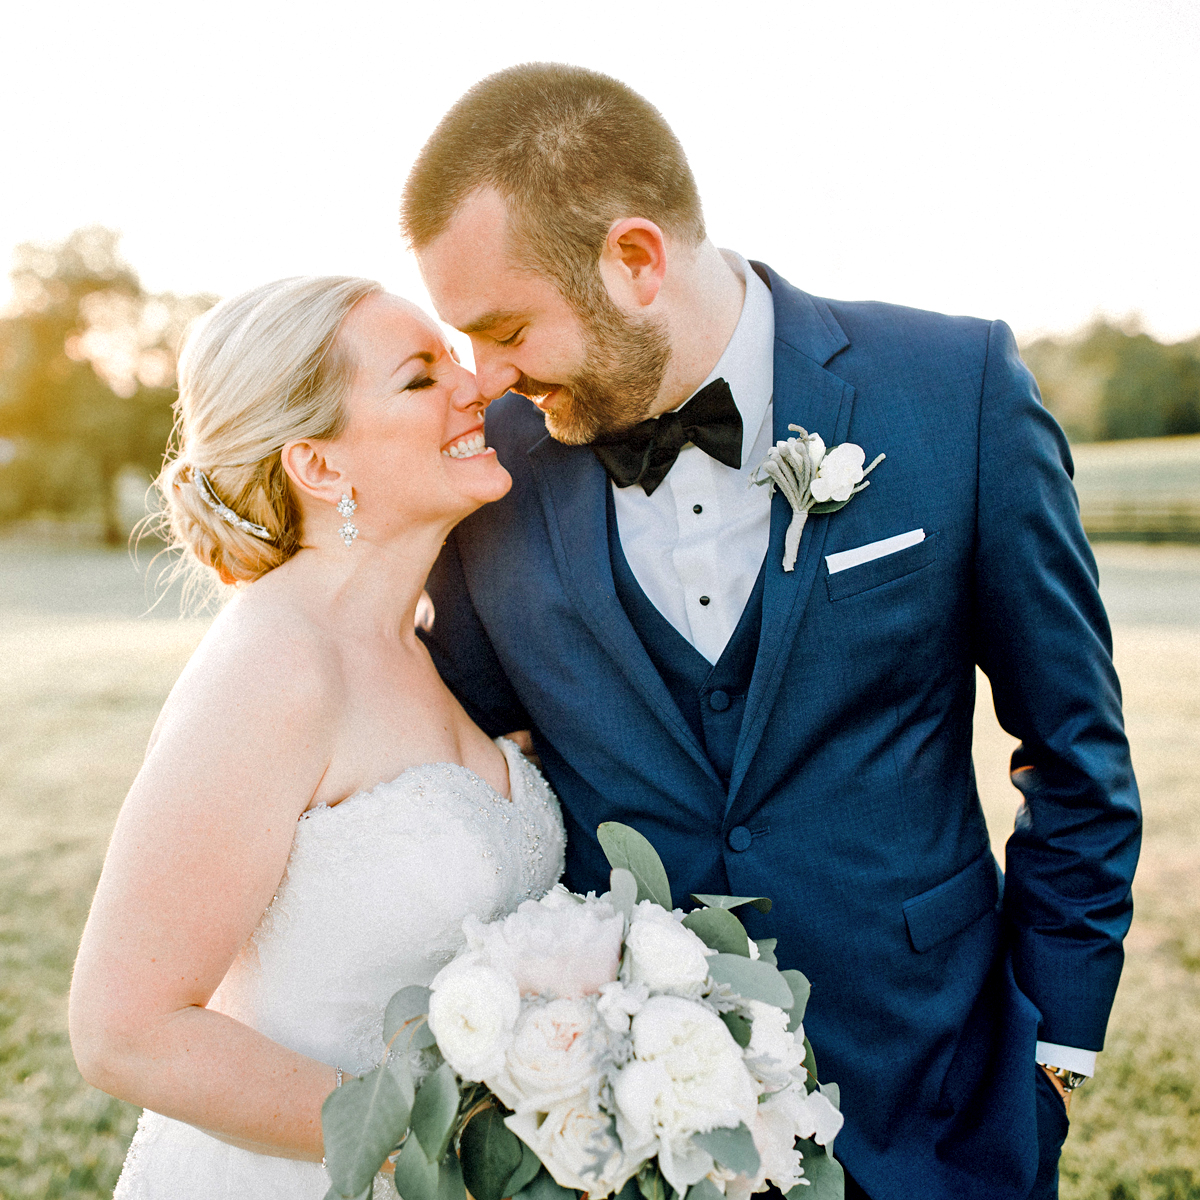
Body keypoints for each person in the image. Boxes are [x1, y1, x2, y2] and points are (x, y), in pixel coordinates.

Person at [402, 64, 1142, 1200]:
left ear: (635, 260)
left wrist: (1054, 1059)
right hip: (633, 1139)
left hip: (938, 1102)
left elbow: (1078, 758)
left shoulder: (955, 391)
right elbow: (451, 767)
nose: (484, 377)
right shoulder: (495, 473)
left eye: (503, 328)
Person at [68, 276, 565, 1199]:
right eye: (421, 378)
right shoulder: (275, 668)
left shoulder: (428, 647)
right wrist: (448, 1148)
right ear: (321, 467)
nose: (475, 386)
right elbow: (123, 1032)